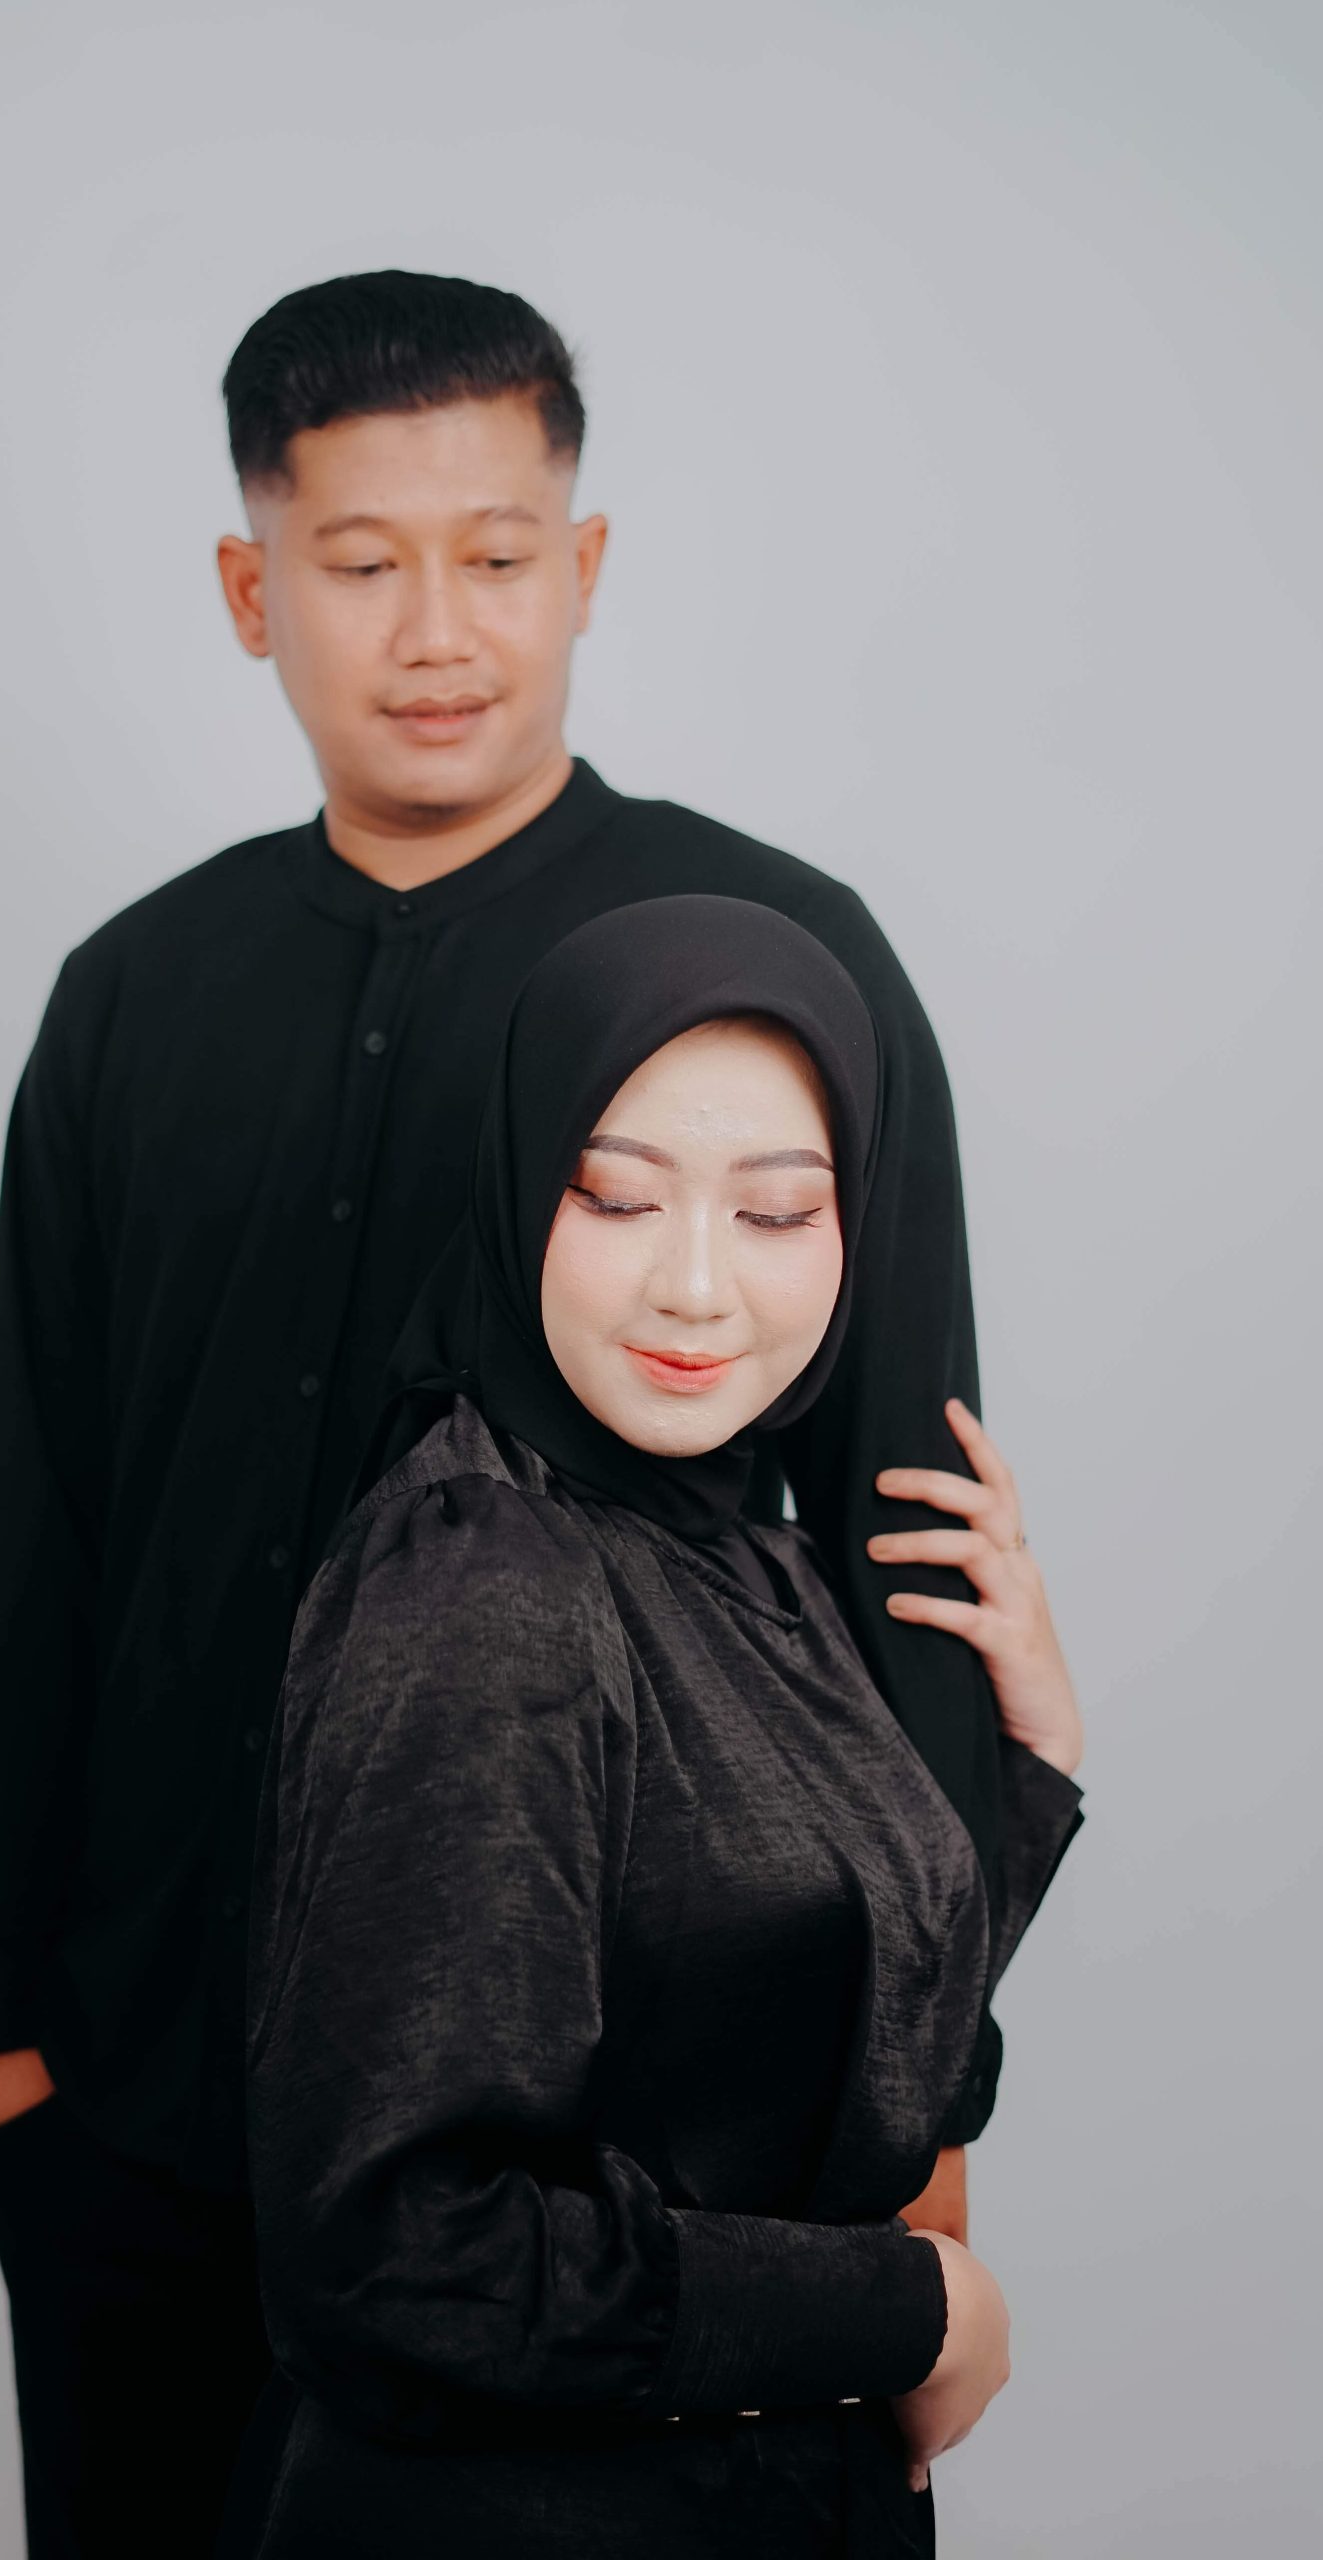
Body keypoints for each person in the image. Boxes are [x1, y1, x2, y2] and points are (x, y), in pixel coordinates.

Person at [0, 270, 1015, 2556]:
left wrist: (916, 2130)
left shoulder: (761, 959)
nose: (436, 628)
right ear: (253, 591)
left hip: (599, 2164)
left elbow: (895, 1554)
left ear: (580, 566)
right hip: (135, 2105)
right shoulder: (133, 995)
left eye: (496, 554)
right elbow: (35, 1522)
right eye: (358, 560)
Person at [239, 896, 1085, 2558]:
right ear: (518, 1188)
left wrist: (1033, 1770)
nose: (696, 1287)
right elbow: (403, 2258)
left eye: (778, 1213)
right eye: (618, 1197)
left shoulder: (744, 1549)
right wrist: (909, 2310)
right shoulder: (485, 1581)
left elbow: (799, 2055)